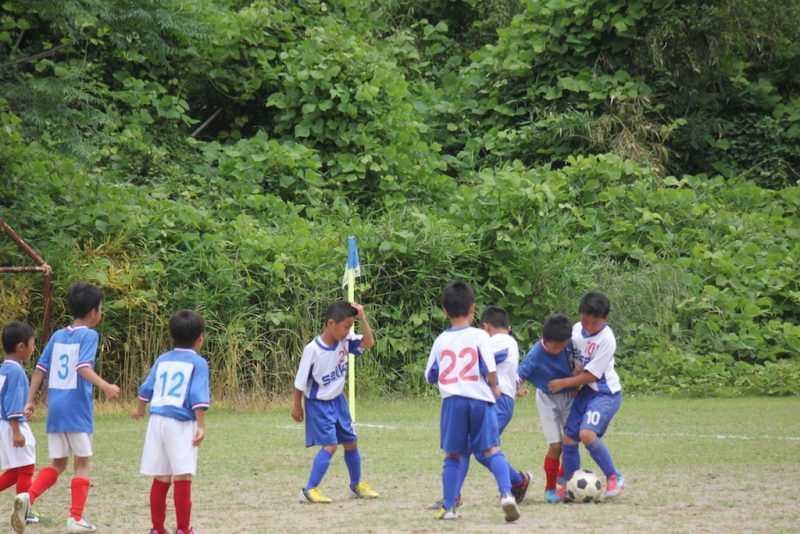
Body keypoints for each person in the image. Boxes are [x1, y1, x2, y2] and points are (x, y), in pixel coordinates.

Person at [16, 282, 121, 533]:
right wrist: (106, 386)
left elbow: (39, 370)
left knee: (58, 463)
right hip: (77, 410)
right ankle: (75, 518)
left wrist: (30, 400)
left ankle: (28, 497)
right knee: (82, 463)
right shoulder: (89, 335)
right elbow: (82, 367)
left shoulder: (58, 335)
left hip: (56, 411)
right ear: (94, 312)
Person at [424, 281, 520, 522]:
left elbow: (430, 375)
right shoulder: (480, 335)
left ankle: (449, 507)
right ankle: (506, 494)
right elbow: (489, 367)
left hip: (453, 402)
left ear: (445, 311)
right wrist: (494, 386)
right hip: (480, 400)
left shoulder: (440, 340)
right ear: (473, 308)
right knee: (492, 449)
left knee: (453, 455)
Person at [292, 301, 379, 504]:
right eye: (346, 327)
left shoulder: (345, 341)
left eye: (350, 327)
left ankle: (356, 485)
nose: (348, 331)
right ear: (331, 323)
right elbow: (299, 382)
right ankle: (308, 490)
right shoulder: (312, 350)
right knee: (331, 446)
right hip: (319, 404)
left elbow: (368, 343)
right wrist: (297, 406)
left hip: (339, 401)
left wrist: (362, 316)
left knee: (351, 442)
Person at [133, 309, 210, 534]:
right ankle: (183, 529)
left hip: (157, 420)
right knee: (183, 474)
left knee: (162, 475)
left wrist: (140, 410)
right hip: (180, 422)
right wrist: (201, 426)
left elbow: (146, 388)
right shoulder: (198, 363)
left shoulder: (163, 359)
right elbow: (196, 395)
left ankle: (157, 528)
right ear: (200, 338)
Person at [548, 292, 625, 500]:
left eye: (595, 323)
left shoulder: (607, 339)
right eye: (585, 321)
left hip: (606, 394)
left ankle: (614, 476)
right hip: (587, 391)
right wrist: (574, 374)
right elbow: (576, 362)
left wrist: (565, 383)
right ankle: (571, 485)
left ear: (606, 318)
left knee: (587, 434)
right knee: (569, 438)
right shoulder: (575, 331)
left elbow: (592, 375)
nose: (589, 327)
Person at [516, 313, 575, 503]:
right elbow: (519, 375)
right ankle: (550, 489)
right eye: (554, 346)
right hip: (547, 399)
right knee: (556, 445)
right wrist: (518, 387)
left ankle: (564, 476)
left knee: (571, 440)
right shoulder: (536, 354)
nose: (558, 350)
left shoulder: (571, 345)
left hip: (570, 396)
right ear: (544, 338)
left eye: (561, 346)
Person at [2, 322, 37, 534]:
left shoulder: (4, 368)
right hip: (12, 425)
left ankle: (25, 509)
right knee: (27, 467)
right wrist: (16, 429)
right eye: (32, 344)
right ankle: (24, 511)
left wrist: (22, 412)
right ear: (21, 347)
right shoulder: (16, 371)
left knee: (17, 470)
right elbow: (12, 401)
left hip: (7, 422)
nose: (34, 348)